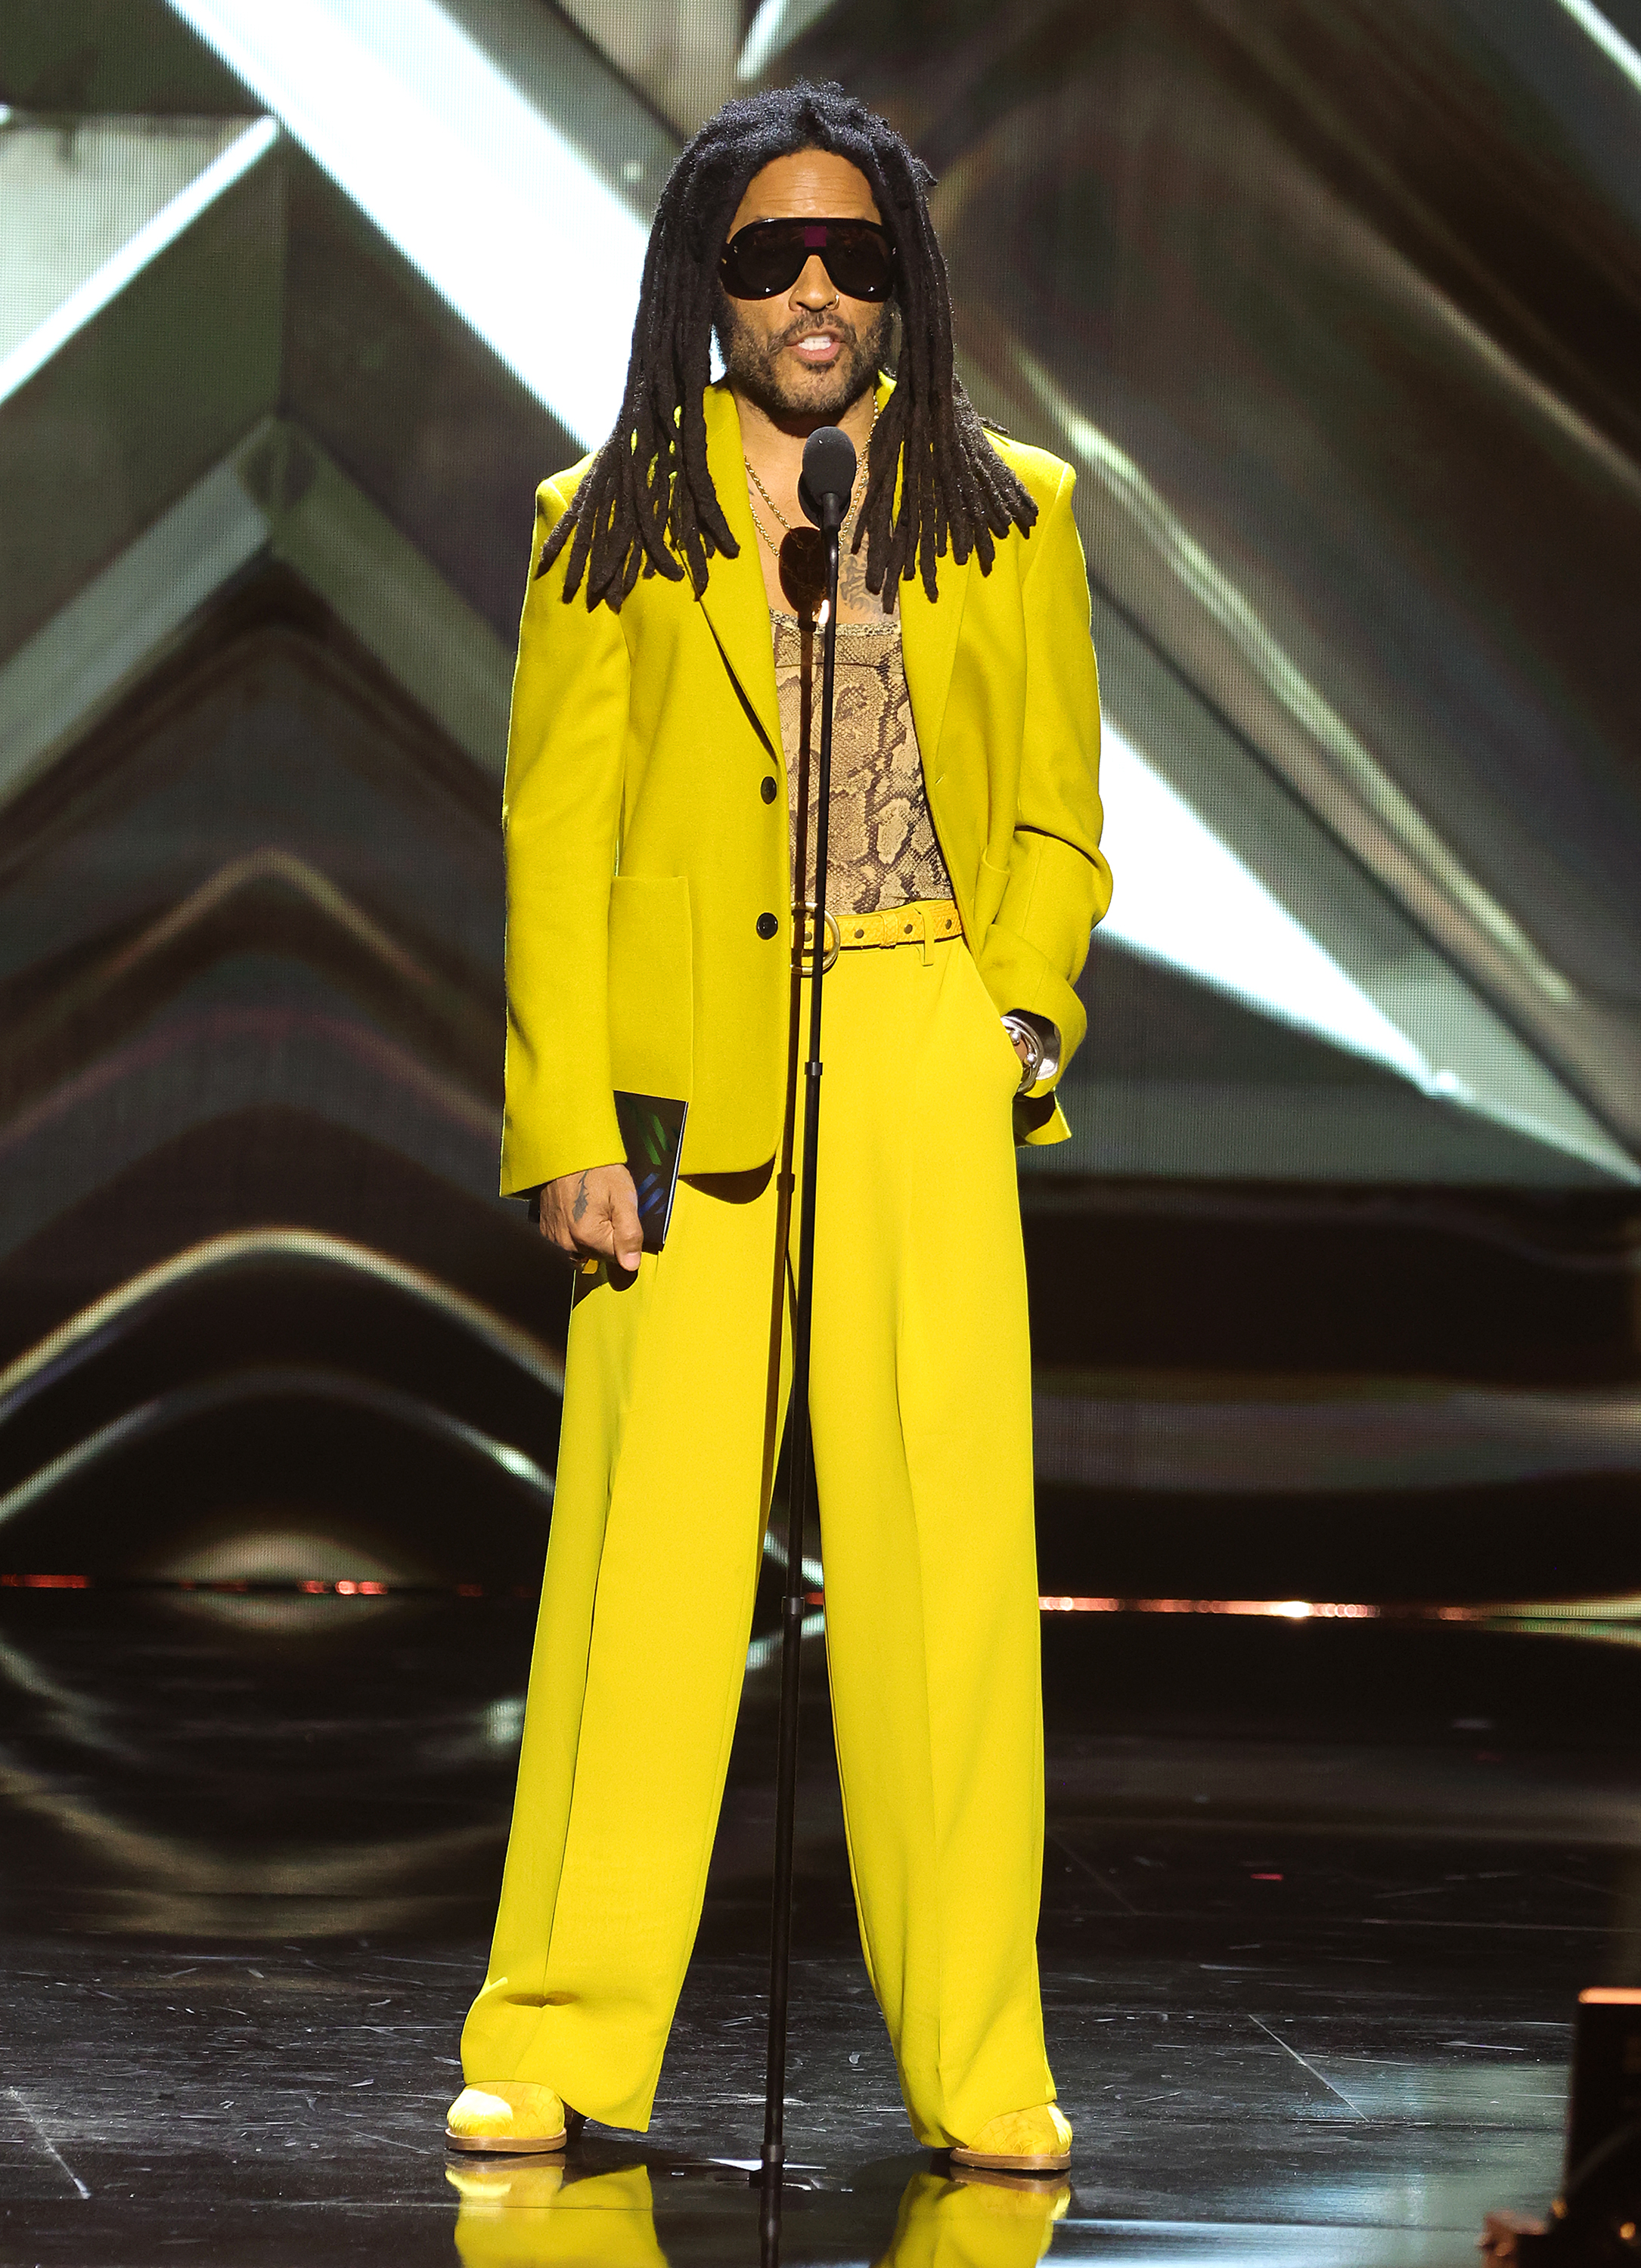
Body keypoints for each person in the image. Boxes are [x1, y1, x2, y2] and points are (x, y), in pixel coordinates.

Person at [445, 80, 1110, 2177]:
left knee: (942, 1568)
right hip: (676, 1073)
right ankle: (553, 2043)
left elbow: (1057, 815)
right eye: (767, 257)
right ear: (704, 287)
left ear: (899, 282)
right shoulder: (607, 517)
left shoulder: (1016, 504)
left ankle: (981, 2065)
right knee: (636, 1577)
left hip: (917, 1024)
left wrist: (1013, 1008)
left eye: (850, 256)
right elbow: (551, 838)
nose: (813, 291)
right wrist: (564, 1116)